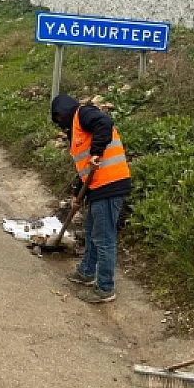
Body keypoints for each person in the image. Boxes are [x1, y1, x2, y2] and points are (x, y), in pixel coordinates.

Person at [50, 94, 131, 304]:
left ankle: (105, 288)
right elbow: (83, 170)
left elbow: (104, 122)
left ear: (63, 111)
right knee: (93, 231)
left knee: (104, 238)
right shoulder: (75, 131)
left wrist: (97, 152)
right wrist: (78, 196)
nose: (60, 124)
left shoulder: (83, 113)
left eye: (59, 118)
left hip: (109, 184)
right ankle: (86, 272)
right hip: (96, 185)